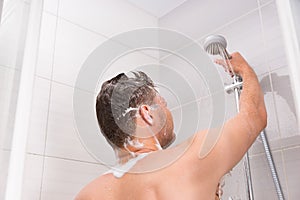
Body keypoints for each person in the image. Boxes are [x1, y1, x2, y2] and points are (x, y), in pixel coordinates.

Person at [75, 52, 267, 200]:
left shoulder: (88, 194)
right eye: (163, 103)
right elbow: (254, 116)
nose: (168, 111)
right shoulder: (192, 157)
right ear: (146, 113)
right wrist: (244, 69)